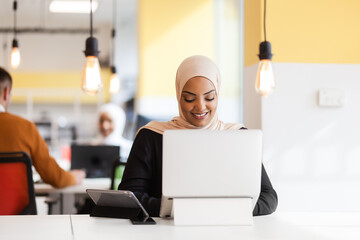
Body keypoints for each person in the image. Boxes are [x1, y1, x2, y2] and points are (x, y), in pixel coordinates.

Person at [119, 55, 278, 217]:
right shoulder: (151, 136)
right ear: (178, 95)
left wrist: (218, 210)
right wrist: (179, 210)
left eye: (209, 97)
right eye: (189, 98)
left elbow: (269, 197)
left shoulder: (237, 136)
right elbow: (129, 197)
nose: (200, 107)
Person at [0, 67, 85, 188]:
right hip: (16, 206)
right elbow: (55, 177)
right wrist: (73, 177)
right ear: (6, 93)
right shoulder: (25, 127)